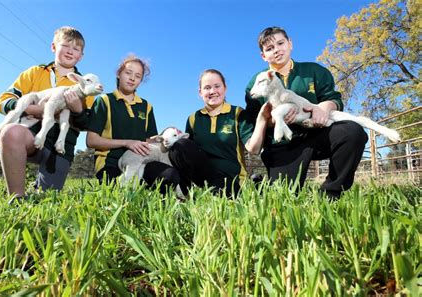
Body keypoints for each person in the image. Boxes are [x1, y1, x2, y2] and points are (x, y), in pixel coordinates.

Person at [244, 26, 368, 199]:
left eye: (280, 43)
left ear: (290, 44)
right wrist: (274, 119)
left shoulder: (315, 71)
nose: (277, 50)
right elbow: (254, 119)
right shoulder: (255, 83)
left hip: (317, 133)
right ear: (263, 56)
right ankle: (264, 185)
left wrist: (323, 108)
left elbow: (333, 98)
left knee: (351, 131)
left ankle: (331, 192)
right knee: (283, 197)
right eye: (269, 48)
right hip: (283, 144)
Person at [0, 26, 92, 199]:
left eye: (76, 49)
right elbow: (3, 101)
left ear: (81, 56)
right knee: (11, 132)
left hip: (59, 148)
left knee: (46, 199)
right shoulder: (34, 73)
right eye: (65, 45)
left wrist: (77, 110)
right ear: (54, 47)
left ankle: (40, 184)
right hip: (29, 136)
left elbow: (87, 124)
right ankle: (16, 196)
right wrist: (32, 109)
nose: (71, 51)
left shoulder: (86, 85)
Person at [86, 54, 180, 194]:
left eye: (138, 76)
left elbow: (150, 140)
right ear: (119, 74)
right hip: (110, 163)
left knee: (170, 176)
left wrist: (168, 135)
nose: (132, 78)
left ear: (141, 81)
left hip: (142, 161)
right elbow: (91, 140)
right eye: (128, 73)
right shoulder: (104, 101)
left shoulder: (146, 106)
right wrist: (127, 142)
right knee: (122, 194)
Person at [170, 69, 260, 197]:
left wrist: (262, 119)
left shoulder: (238, 113)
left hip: (231, 177)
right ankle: (185, 194)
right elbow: (188, 154)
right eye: (207, 88)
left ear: (225, 88)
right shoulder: (193, 118)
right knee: (180, 145)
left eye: (217, 86)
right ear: (200, 92)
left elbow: (252, 145)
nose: (212, 91)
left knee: (222, 196)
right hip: (205, 177)